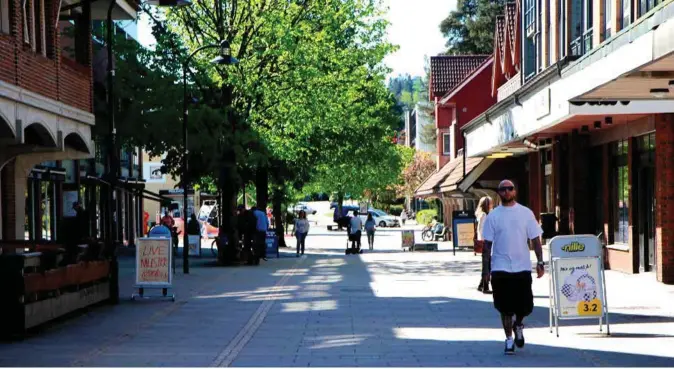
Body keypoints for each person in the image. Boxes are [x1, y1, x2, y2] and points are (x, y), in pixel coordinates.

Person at [482, 179, 544, 355]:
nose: (506, 192)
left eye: (510, 189)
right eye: (503, 189)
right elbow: (487, 245)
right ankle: (509, 339)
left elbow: (535, 240)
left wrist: (540, 261)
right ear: (499, 193)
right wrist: (485, 271)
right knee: (504, 307)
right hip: (500, 267)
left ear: (515, 191)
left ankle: (519, 325)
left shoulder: (526, 213)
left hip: (522, 266)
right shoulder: (493, 216)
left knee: (524, 306)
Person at [475, 196, 493, 294]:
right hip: (486, 242)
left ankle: (481, 284)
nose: (492, 204)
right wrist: (483, 240)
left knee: (488, 264)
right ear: (486, 204)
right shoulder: (484, 215)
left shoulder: (486, 214)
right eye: (490, 203)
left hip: (487, 241)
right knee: (487, 265)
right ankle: (485, 286)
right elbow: (481, 229)